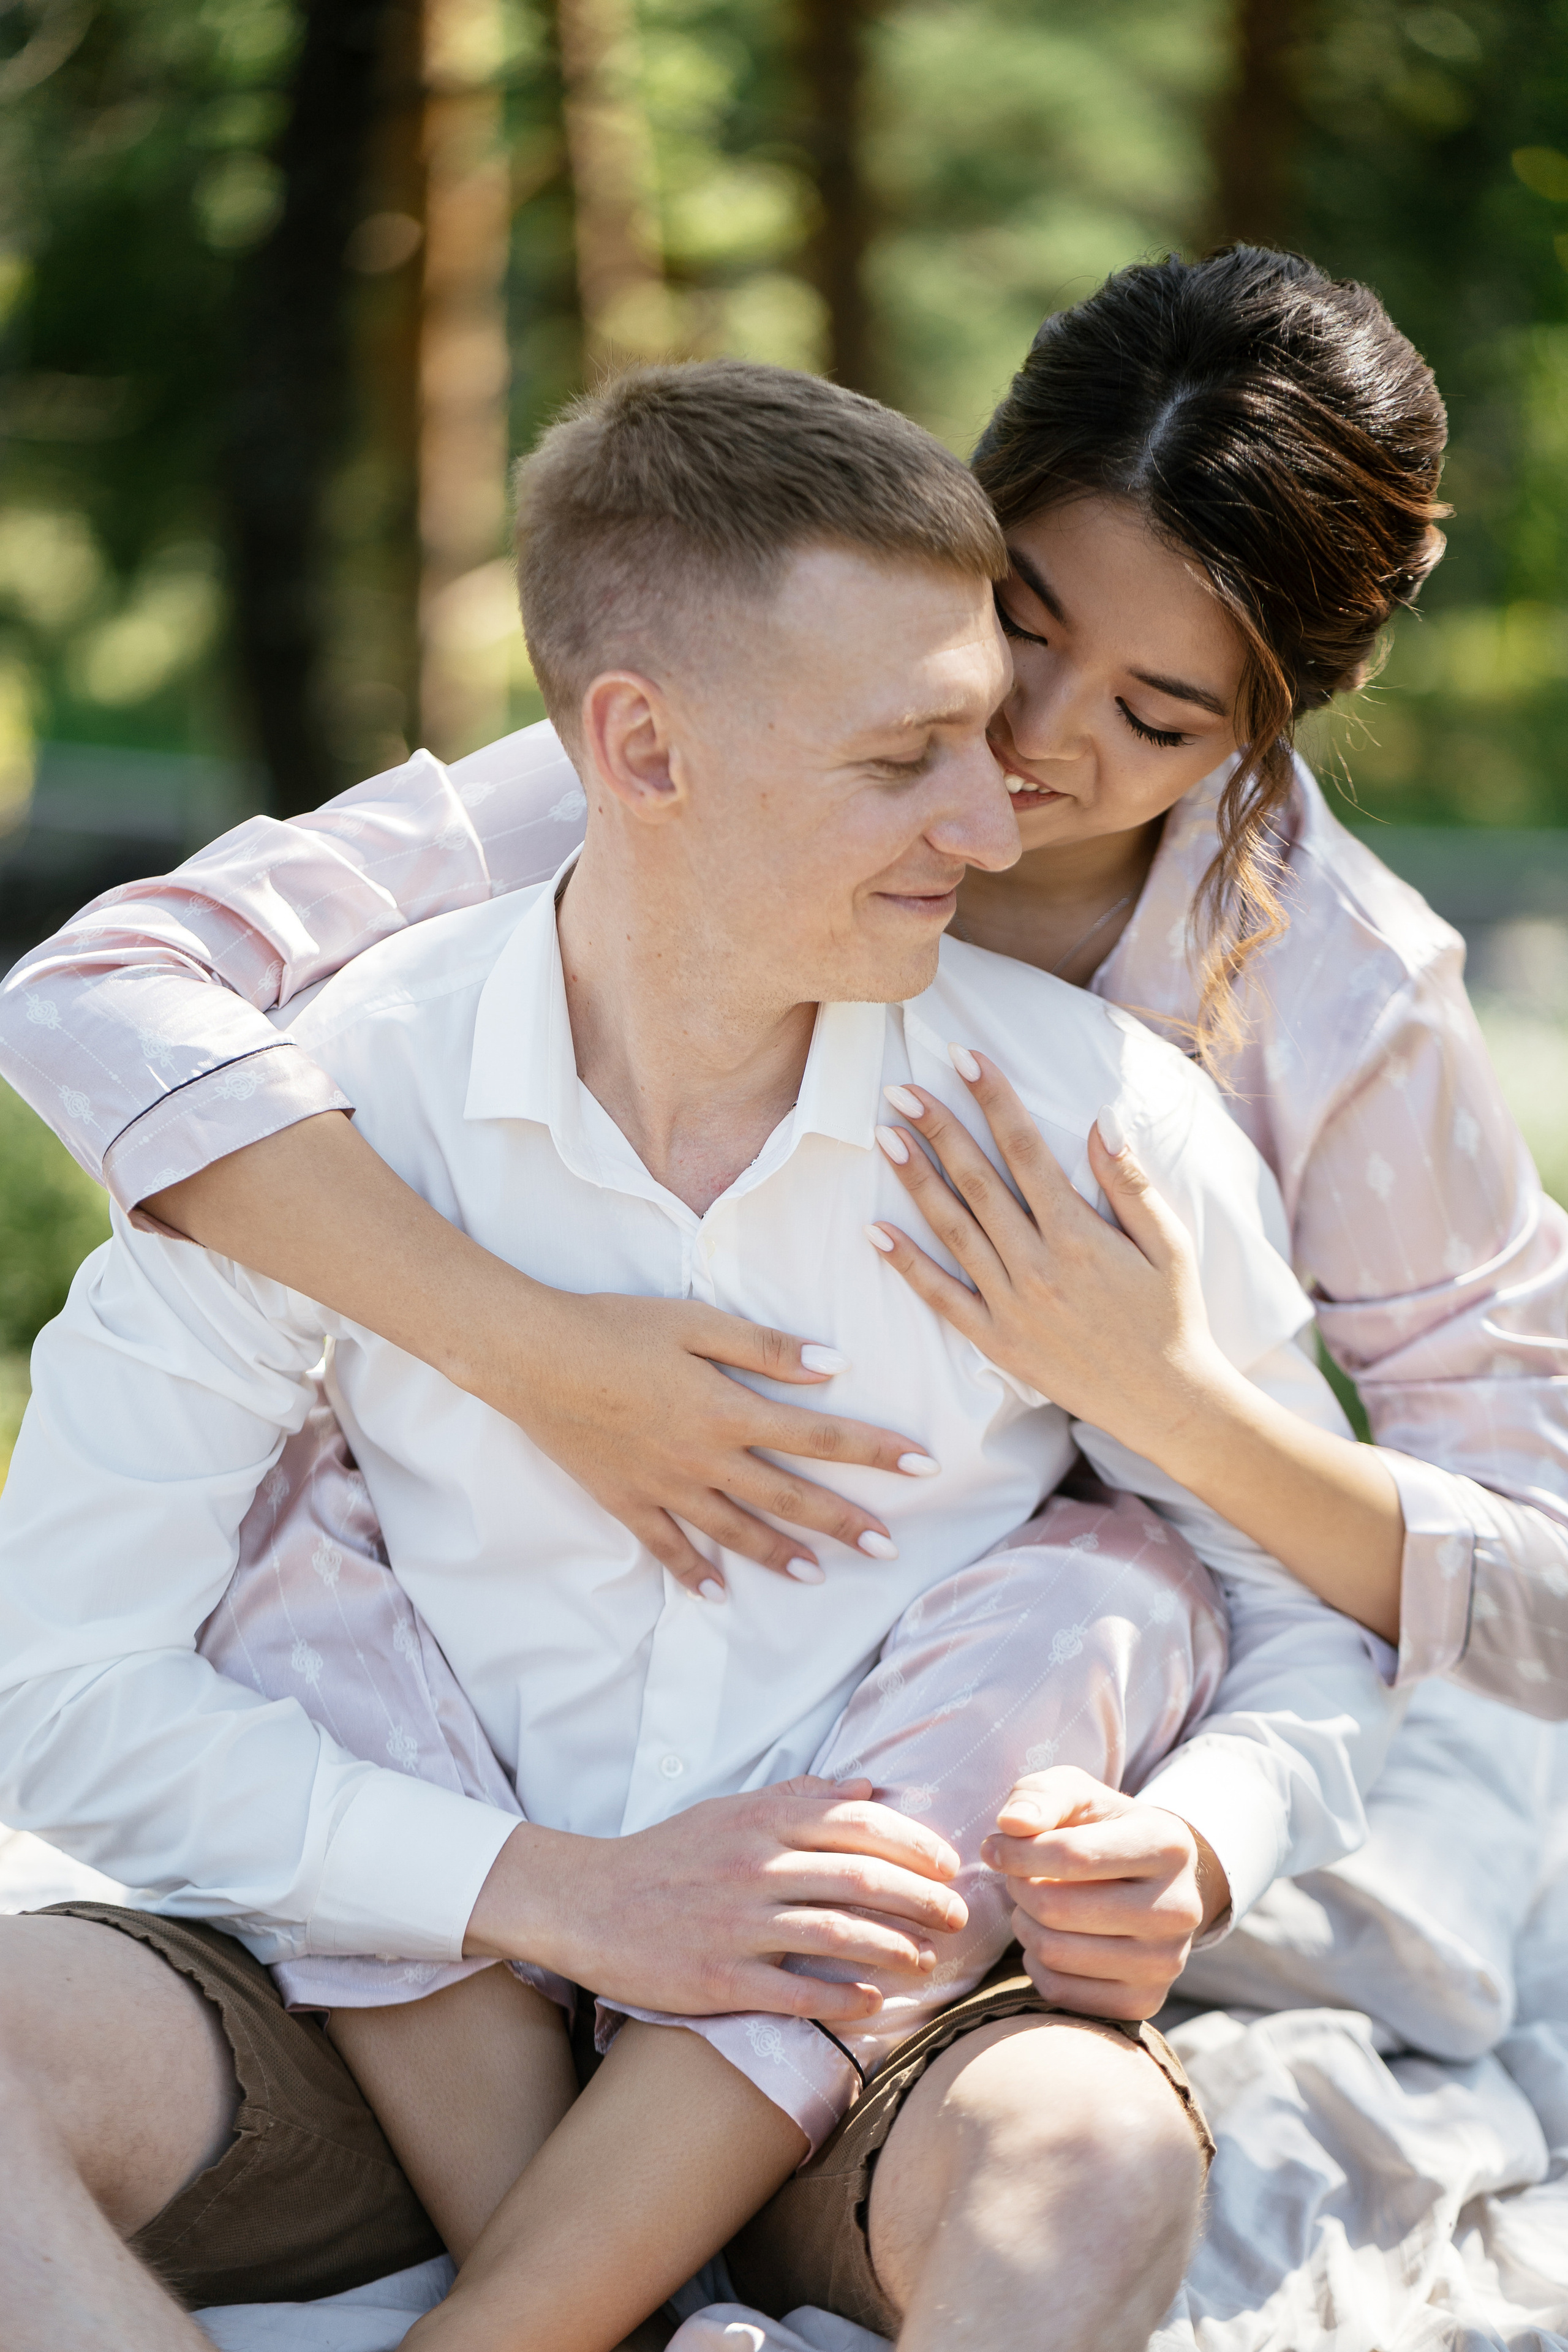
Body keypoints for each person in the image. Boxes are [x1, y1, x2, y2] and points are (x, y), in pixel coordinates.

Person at [0, 361, 1394, 2352]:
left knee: (1098, 2159)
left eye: (981, 732)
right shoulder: (315, 1129)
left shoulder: (1094, 1124)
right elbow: (60, 1688)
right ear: (640, 748)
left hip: (873, 2044)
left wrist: (1204, 1838)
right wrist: (547, 1891)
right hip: (371, 1997)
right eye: (905, 759)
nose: (995, 816)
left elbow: (1299, 1620)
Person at [4, 251, 1562, 1711]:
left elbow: (1538, 1582)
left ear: (1261, 734)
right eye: (1018, 623)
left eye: (1155, 722)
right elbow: (94, 992)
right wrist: (526, 1351)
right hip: (509, 1663)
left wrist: (1161, 1398)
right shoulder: (675, 778)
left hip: (1051, 1718)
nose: (1028, 739)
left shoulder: (1340, 992)